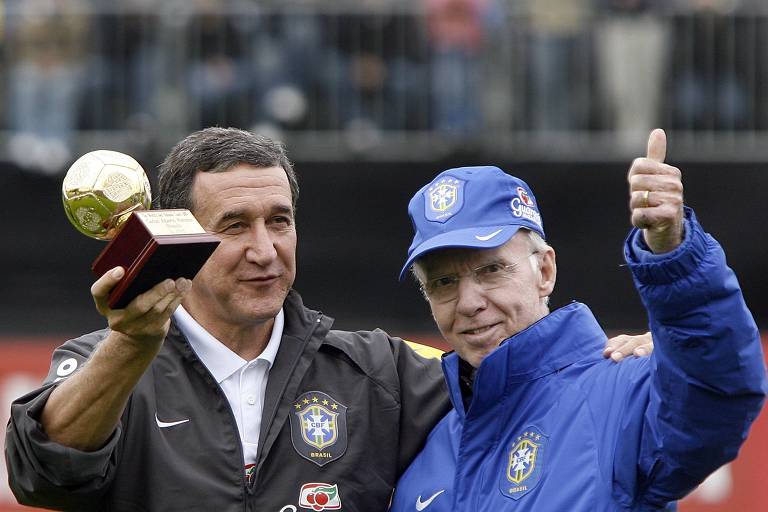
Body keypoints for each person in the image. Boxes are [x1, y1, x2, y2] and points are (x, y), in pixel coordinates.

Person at [5, 127, 652, 511]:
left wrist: (609, 357)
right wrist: (128, 346)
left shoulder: (380, 371)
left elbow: (511, 386)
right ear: (182, 236)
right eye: (235, 227)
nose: (266, 250)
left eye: (279, 222)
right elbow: (41, 467)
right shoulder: (111, 362)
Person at [390, 129, 767, 511]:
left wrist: (674, 255)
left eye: (491, 270)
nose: (469, 302)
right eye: (443, 282)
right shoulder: (422, 446)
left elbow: (718, 394)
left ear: (545, 271)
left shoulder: (621, 394)